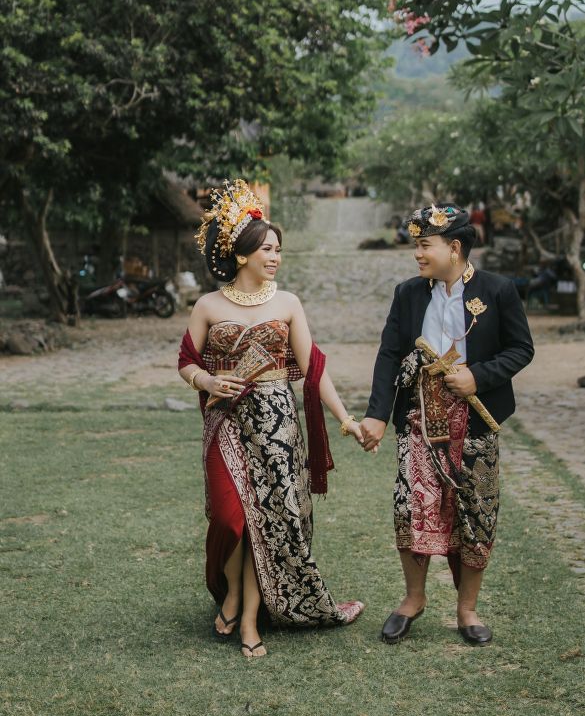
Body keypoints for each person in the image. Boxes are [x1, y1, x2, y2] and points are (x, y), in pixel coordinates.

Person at [177, 179, 366, 658]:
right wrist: (207, 381)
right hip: (225, 423)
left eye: (279, 249)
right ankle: (232, 594)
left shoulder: (288, 304)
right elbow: (185, 362)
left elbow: (313, 369)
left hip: (278, 427)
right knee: (231, 517)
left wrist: (346, 419)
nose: (276, 257)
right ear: (242, 255)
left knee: (268, 519)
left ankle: (248, 618)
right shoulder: (208, 306)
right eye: (267, 249)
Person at [359, 203, 534, 647]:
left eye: (425, 245)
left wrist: (480, 375)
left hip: (475, 419)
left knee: (476, 511)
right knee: (410, 506)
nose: (417, 254)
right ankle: (413, 598)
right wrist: (377, 414)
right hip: (418, 416)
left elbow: (521, 348)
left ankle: (467, 609)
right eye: (416, 246)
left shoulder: (497, 290)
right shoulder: (408, 294)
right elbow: (389, 355)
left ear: (454, 248)